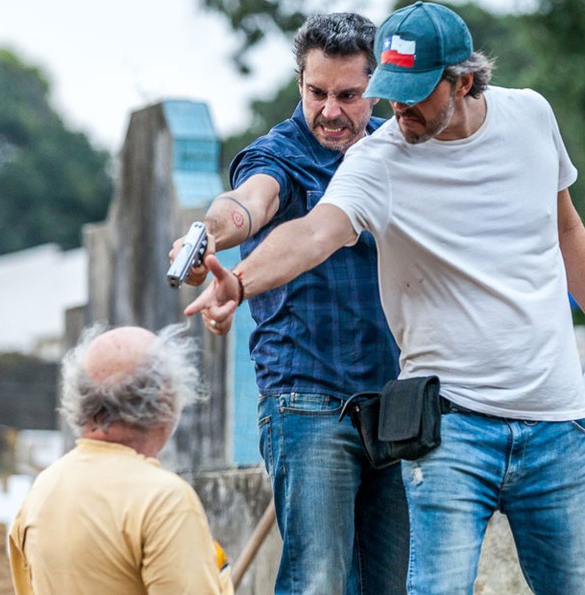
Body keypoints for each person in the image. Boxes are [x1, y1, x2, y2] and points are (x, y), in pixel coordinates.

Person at [183, 2, 585, 593]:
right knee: (335, 580)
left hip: (507, 415)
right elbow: (304, 228)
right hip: (401, 415)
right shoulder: (374, 158)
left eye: (403, 93)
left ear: (465, 80)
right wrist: (236, 275)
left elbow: (565, 228)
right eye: (388, 91)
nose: (395, 109)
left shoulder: (528, 116)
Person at [169, 12, 408, 595]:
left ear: (375, 88)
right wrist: (207, 238)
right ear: (299, 82)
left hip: (400, 402)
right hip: (307, 402)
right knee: (319, 582)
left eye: (349, 96)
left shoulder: (398, 150)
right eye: (316, 92)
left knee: (394, 585)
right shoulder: (276, 153)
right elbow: (247, 203)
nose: (330, 111)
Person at [8, 324, 233, 595]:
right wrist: (219, 577)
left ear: (81, 398)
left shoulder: (43, 489)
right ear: (165, 398)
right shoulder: (165, 500)